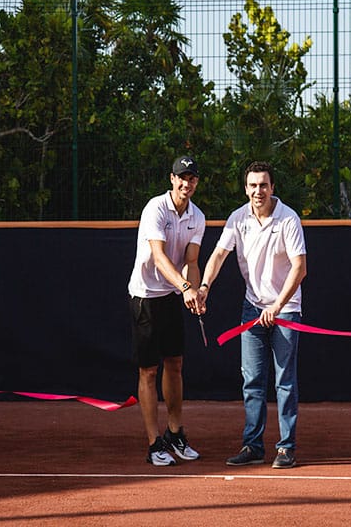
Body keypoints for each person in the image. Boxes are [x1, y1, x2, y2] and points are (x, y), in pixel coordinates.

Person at [198, 160, 307, 469]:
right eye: (253, 185)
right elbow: (219, 254)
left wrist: (276, 307)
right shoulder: (238, 219)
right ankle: (253, 446)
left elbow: (300, 268)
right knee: (252, 380)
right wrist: (204, 286)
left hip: (285, 309)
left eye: (264, 185)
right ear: (245, 189)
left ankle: (286, 448)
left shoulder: (288, 219)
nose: (258, 191)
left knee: (284, 380)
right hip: (252, 308)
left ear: (273, 188)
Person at [127, 155, 206, 466]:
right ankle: (153, 442)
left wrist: (195, 291)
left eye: (192, 178)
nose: (186, 183)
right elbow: (159, 258)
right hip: (145, 295)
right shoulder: (155, 208)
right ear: (172, 180)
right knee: (148, 370)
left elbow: (192, 262)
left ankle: (175, 433)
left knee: (175, 363)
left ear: (196, 183)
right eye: (181, 178)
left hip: (173, 294)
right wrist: (185, 287)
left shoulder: (197, 217)